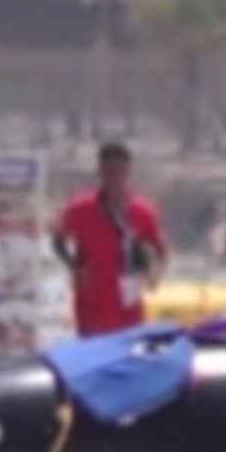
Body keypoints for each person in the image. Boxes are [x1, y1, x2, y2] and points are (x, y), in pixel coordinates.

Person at [52, 140, 169, 338]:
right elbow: (58, 241)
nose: (114, 178)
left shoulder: (142, 212)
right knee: (92, 356)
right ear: (100, 173)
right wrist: (74, 267)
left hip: (127, 305)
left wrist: (153, 274)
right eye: (108, 172)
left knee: (129, 354)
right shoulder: (80, 209)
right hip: (92, 302)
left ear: (128, 173)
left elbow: (161, 249)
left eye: (119, 172)